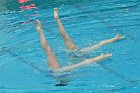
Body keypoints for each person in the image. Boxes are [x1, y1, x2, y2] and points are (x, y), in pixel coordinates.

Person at [35, 20, 112, 86]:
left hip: (56, 71)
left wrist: (100, 57)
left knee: (50, 51)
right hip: (51, 71)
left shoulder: (63, 72)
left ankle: (41, 31)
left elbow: (84, 62)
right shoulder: (58, 74)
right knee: (49, 51)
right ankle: (40, 32)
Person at [54, 8, 124, 52]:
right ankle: (57, 19)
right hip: (77, 53)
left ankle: (57, 19)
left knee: (65, 37)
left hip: (76, 53)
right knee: (65, 37)